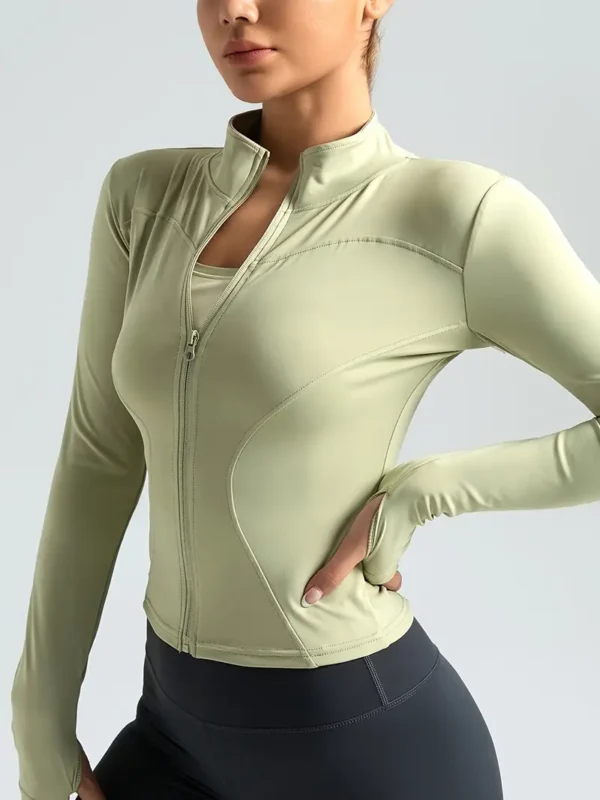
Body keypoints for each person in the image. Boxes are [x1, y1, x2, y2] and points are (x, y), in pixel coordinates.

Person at [10, 0, 600, 798]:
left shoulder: (454, 215)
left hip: (370, 752)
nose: (235, 10)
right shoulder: (142, 199)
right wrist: (38, 719)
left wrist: (426, 491)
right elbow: (98, 458)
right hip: (171, 737)